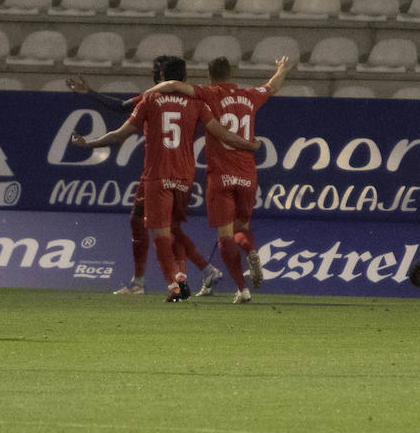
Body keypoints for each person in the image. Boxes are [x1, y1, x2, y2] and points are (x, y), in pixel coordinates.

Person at [70, 81, 259, 302]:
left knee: (151, 225)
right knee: (170, 228)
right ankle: (191, 274)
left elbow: (121, 110)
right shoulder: (196, 100)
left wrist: (90, 95)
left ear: (161, 77)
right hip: (183, 177)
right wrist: (249, 145)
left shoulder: (151, 97)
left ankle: (168, 283)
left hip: (156, 174)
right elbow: (223, 134)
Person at [142, 55, 293, 303]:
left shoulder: (209, 94)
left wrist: (149, 92)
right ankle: (250, 249)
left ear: (210, 76)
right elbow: (273, 86)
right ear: (231, 74)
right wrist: (281, 68)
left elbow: (172, 85)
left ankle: (242, 289)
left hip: (221, 175)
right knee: (241, 228)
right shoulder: (249, 95)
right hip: (247, 174)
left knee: (224, 235)